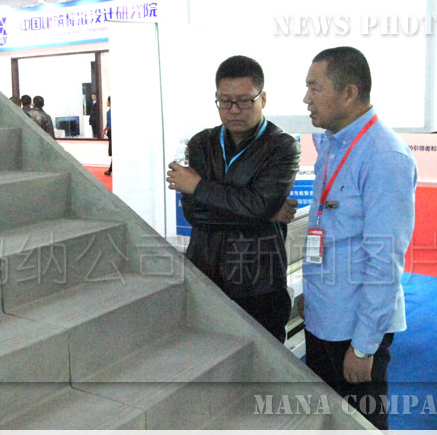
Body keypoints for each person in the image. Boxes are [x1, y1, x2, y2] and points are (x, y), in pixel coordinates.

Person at [296, 46, 417, 430]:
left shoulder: (384, 156)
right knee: (329, 419)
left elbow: (385, 260)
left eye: (314, 87)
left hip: (355, 329)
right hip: (324, 315)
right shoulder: (332, 145)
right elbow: (329, 231)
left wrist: (364, 346)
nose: (306, 98)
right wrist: (312, 296)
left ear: (349, 92)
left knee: (362, 423)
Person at [166, 55, 301, 342]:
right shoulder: (202, 143)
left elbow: (259, 204)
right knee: (208, 356)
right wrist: (263, 212)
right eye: (225, 102)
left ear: (263, 99)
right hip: (205, 274)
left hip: (259, 281)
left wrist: (199, 187)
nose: (234, 110)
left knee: (264, 359)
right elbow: (194, 213)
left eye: (244, 101)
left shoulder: (282, 146)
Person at [103, 96, 112, 176]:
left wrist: (104, 130)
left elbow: (109, 124)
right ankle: (110, 170)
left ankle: (110, 170)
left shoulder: (109, 112)